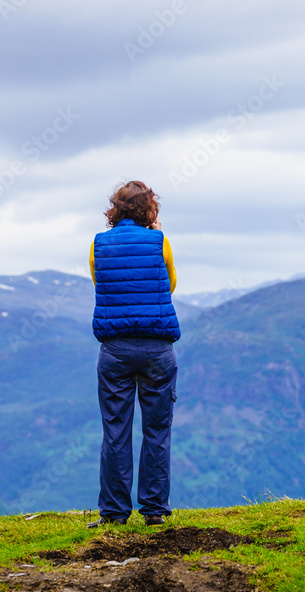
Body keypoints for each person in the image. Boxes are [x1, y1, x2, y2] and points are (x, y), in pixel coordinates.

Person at [87, 181, 180, 528]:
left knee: (115, 431)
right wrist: (155, 234)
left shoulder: (98, 244)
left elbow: (100, 285)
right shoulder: (161, 242)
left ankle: (114, 514)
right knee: (157, 430)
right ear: (149, 210)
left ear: (116, 209)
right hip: (157, 349)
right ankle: (154, 510)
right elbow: (169, 285)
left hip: (115, 349)